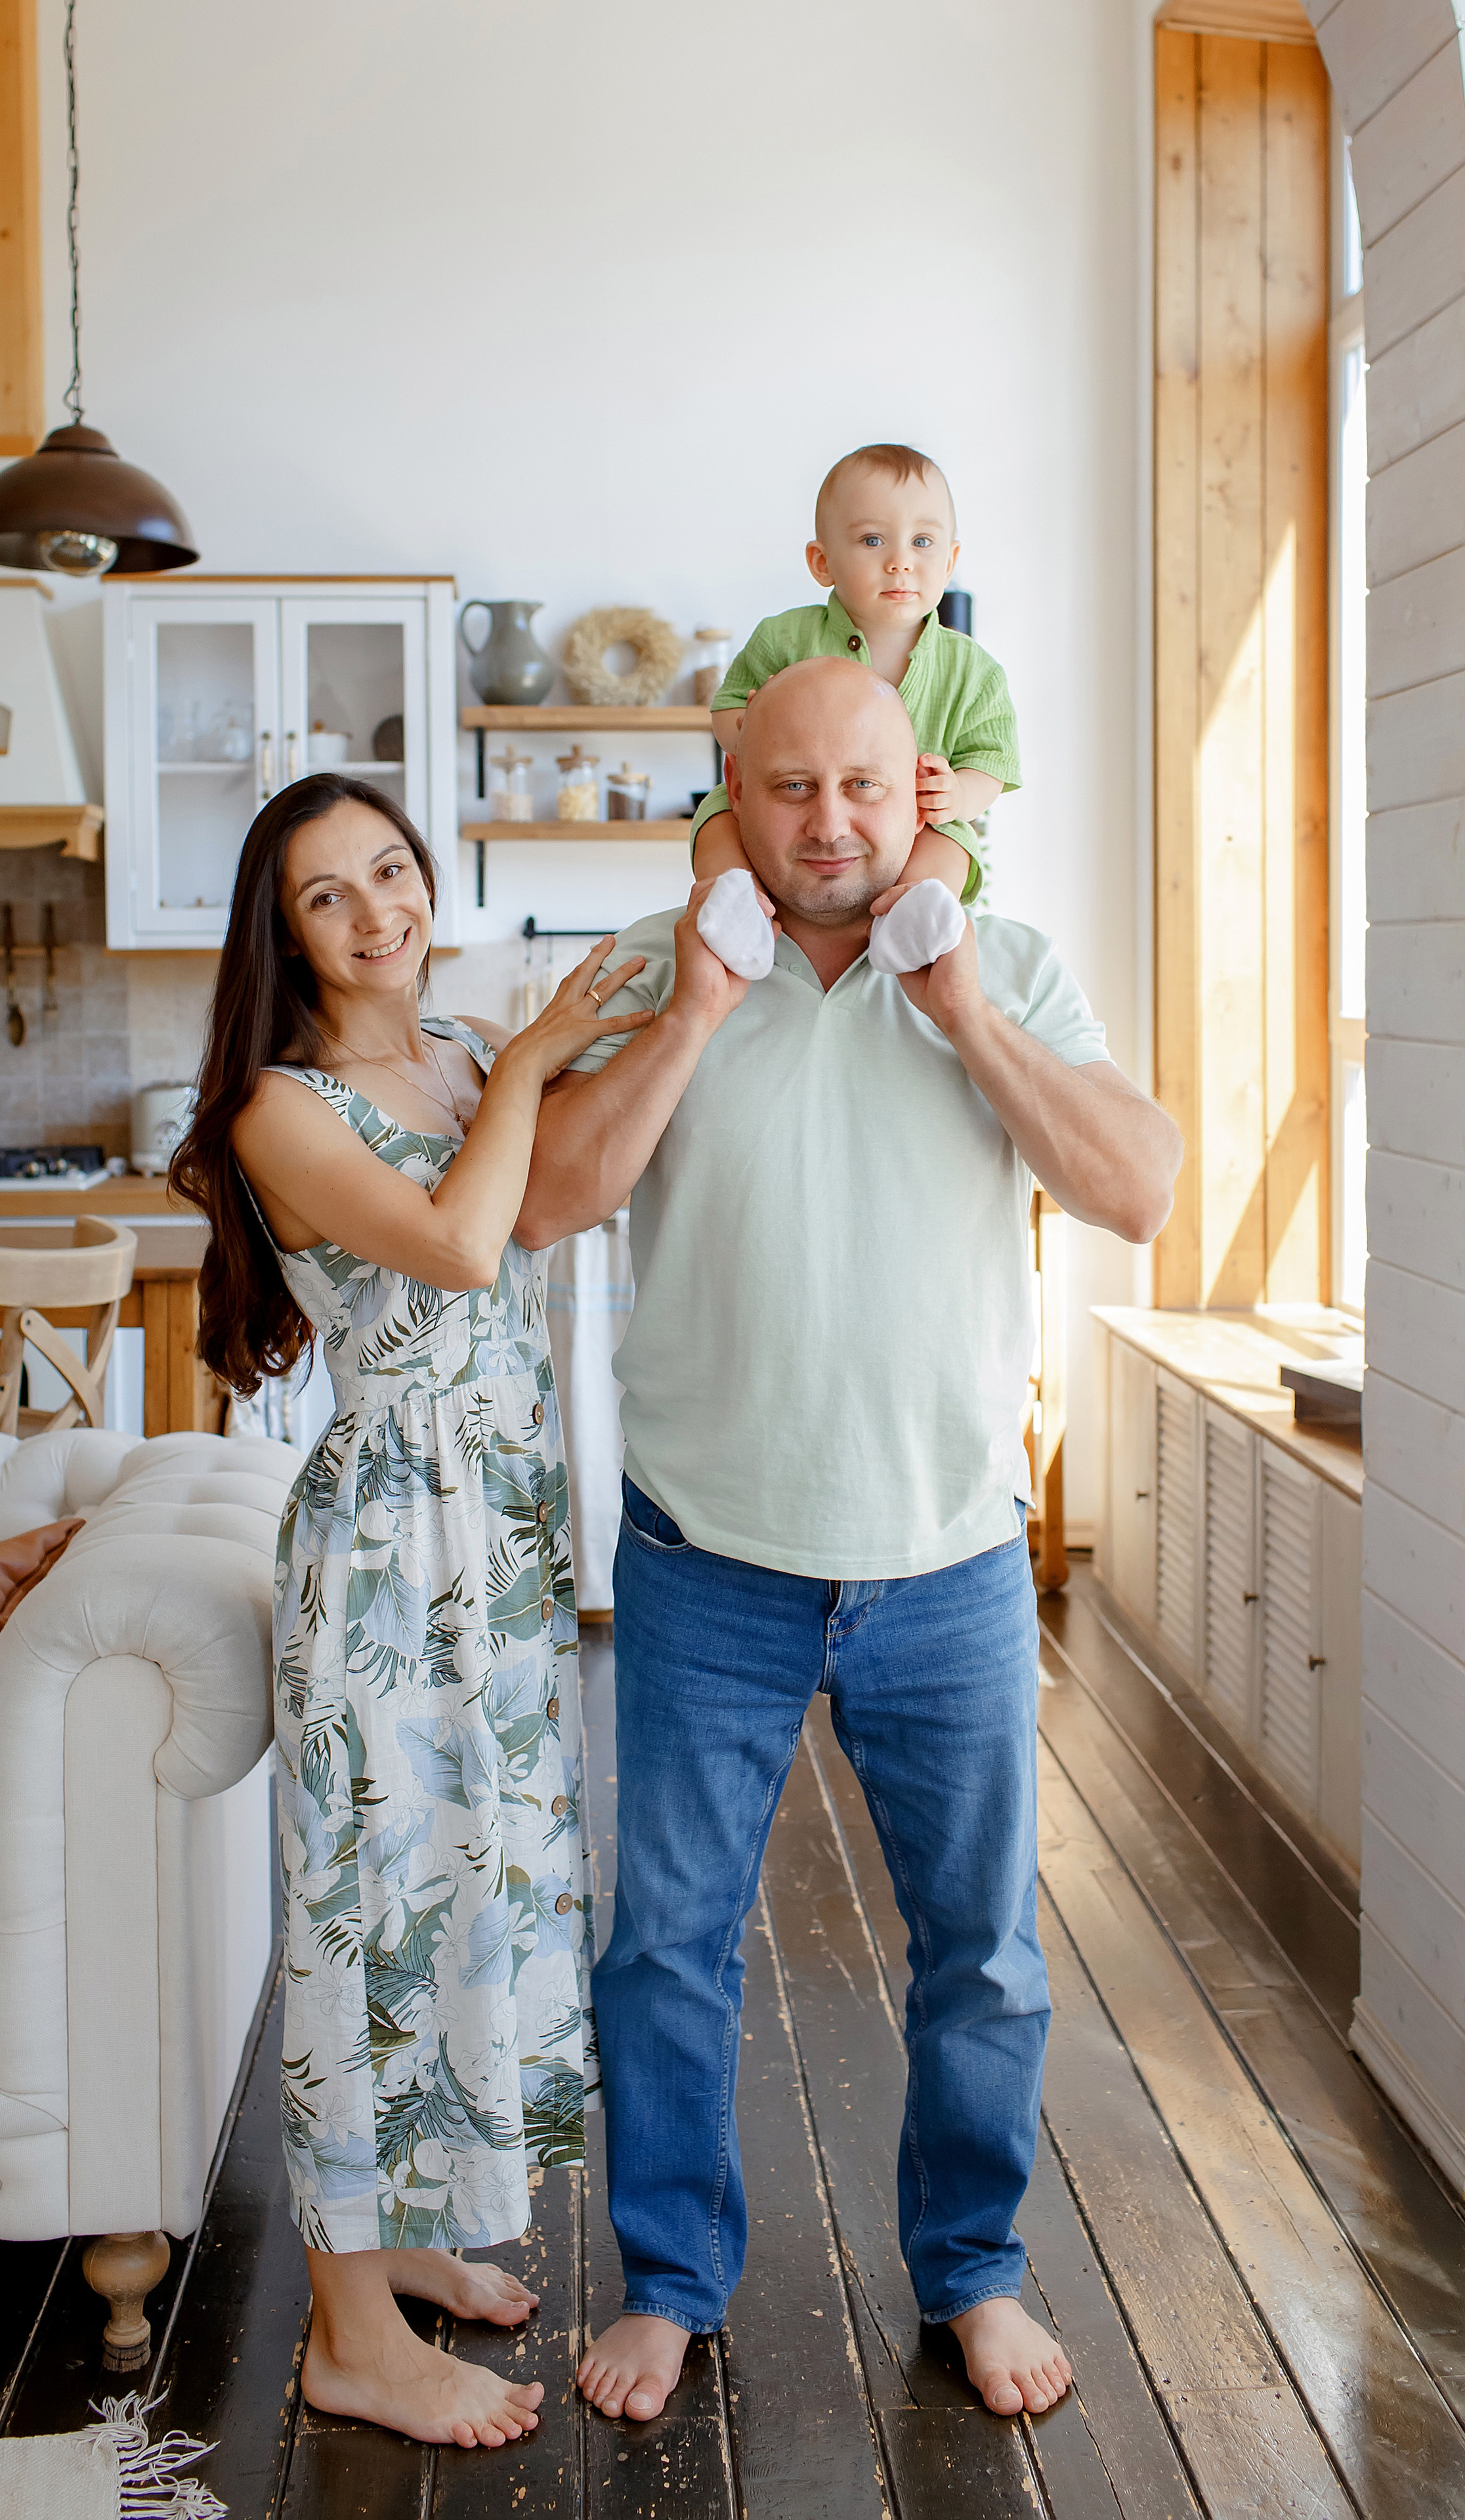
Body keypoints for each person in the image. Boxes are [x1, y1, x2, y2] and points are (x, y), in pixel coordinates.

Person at [515, 657, 1181, 2424]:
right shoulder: (663, 974)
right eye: (790, 789)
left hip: (949, 1561)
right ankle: (670, 2277)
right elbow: (542, 1200)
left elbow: (1137, 1187)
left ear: (919, 801)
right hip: (701, 1558)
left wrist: (963, 1007)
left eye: (861, 791)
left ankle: (971, 2272)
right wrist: (693, 1013)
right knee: (667, 1941)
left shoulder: (1008, 967)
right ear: (733, 798)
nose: (827, 826)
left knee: (983, 1951)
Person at [173, 772, 648, 2450]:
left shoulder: (449, 1050)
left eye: (392, 866)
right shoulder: (272, 1105)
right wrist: (528, 1060)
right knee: (366, 1928)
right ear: (279, 928)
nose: (380, 907)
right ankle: (345, 2334)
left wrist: (574, 1039)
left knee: (471, 1886)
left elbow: (545, 1192)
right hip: (386, 1549)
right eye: (329, 892)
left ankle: (406, 2244)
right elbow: (456, 1244)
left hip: (496, 1531)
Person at [689, 442, 1017, 934]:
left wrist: (958, 795)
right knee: (717, 814)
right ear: (822, 562)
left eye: (922, 542)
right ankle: (736, 908)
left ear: (950, 561)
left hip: (916, 822)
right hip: (796, 809)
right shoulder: (784, 637)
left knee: (953, 841)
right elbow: (728, 708)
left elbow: (992, 758)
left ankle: (914, 921)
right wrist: (754, 729)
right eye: (872, 541)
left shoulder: (972, 669)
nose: (900, 562)